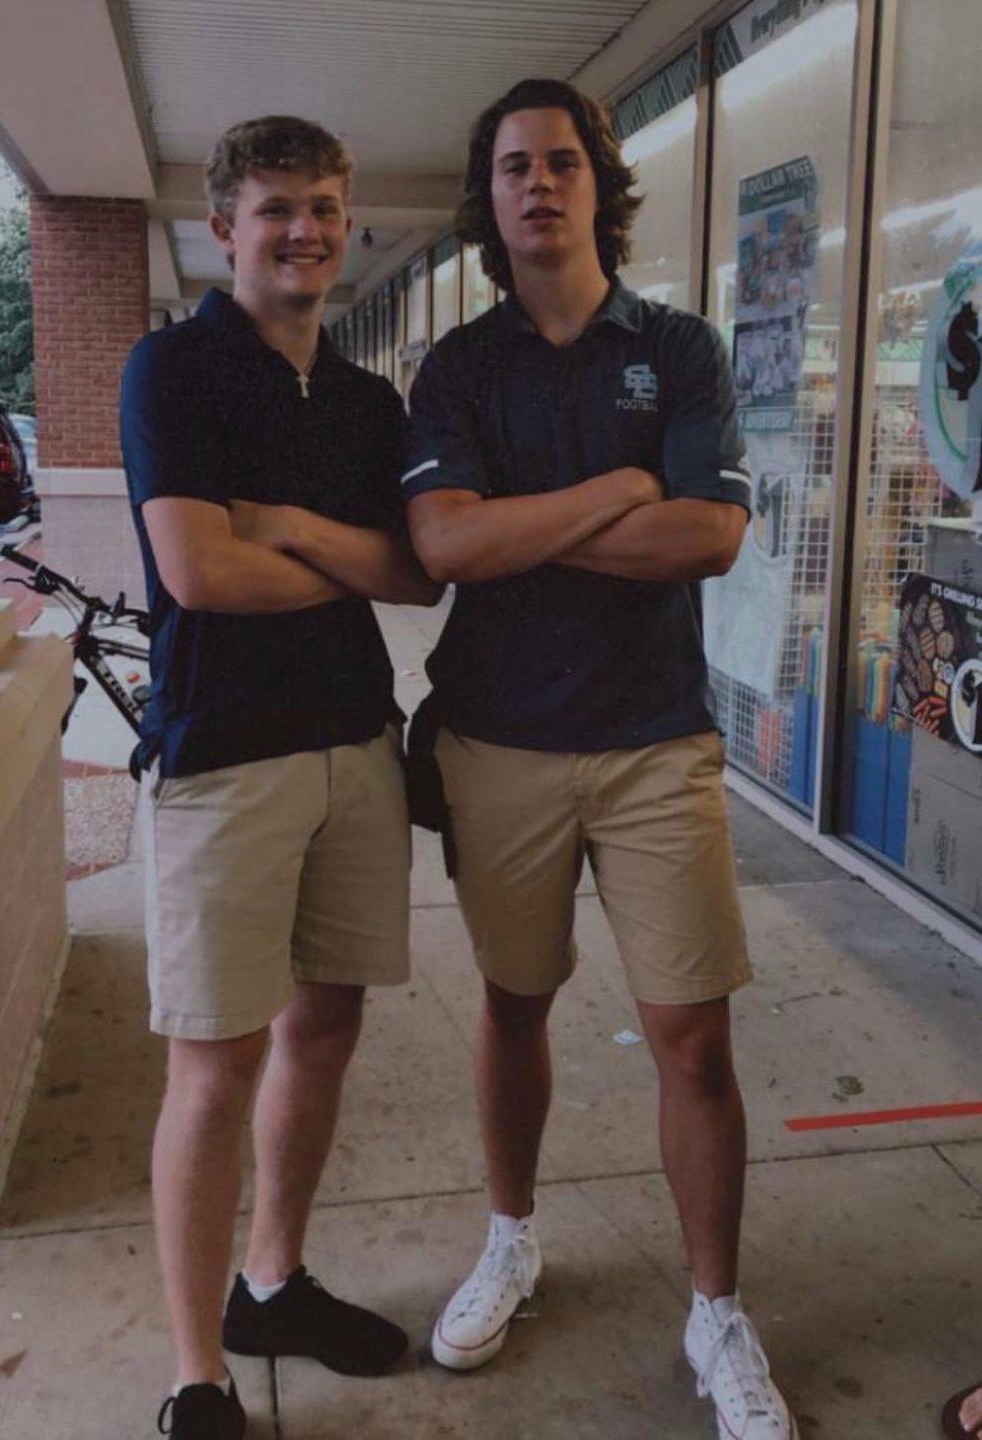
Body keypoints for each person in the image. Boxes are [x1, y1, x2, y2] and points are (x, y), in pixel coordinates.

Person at [402, 77, 798, 1438]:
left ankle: (716, 1312)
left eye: (562, 162)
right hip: (497, 741)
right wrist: (622, 490)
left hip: (652, 742)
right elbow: (442, 549)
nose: (538, 184)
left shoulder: (680, 351)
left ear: (598, 185)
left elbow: (710, 539)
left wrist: (522, 520)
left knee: (693, 1035)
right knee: (514, 1004)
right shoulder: (458, 367)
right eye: (513, 165)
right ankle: (511, 1236)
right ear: (490, 196)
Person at [120, 115, 439, 1440]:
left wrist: (297, 528)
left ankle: (275, 1281)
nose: (303, 228)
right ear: (224, 230)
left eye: (322, 205)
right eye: (275, 210)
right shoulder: (171, 372)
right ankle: (201, 1376)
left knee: (326, 1027)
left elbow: (419, 574)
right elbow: (198, 574)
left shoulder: (370, 404)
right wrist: (346, 556)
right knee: (216, 1065)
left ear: (346, 217)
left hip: (357, 744)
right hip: (223, 760)